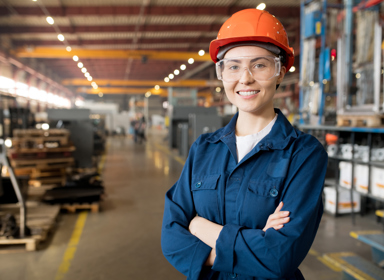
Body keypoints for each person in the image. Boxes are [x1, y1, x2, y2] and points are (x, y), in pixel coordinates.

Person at [161, 8, 328, 280]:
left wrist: (200, 227)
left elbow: (279, 257)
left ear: (280, 71)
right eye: (234, 66)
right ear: (222, 73)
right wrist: (258, 238)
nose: (245, 78)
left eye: (259, 64)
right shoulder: (203, 149)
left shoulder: (304, 154)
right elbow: (171, 238)